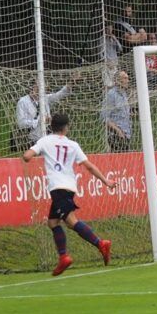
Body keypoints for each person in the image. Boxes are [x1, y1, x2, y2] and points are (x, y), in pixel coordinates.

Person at [22, 113, 116, 276]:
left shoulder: (45, 141)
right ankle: (65, 255)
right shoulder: (73, 145)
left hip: (58, 188)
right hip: (69, 186)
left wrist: (32, 154)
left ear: (51, 127)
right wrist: (106, 181)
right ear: (66, 128)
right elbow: (89, 167)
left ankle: (98, 244)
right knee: (52, 222)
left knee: (71, 222)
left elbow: (27, 156)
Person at [14, 74, 76, 151]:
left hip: (48, 137)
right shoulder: (23, 101)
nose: (40, 89)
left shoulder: (45, 98)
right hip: (31, 139)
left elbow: (60, 94)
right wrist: (39, 121)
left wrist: (72, 82)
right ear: (32, 87)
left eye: (42, 86)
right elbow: (21, 123)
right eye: (37, 86)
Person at [102, 71, 132, 152]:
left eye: (128, 78)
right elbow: (104, 118)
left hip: (127, 134)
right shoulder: (111, 94)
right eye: (125, 78)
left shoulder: (124, 94)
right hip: (116, 136)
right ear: (117, 80)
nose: (127, 81)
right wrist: (118, 131)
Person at [103, 23, 122, 88]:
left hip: (115, 64)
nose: (110, 31)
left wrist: (115, 40)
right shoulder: (102, 40)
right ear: (105, 29)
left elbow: (120, 49)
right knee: (108, 84)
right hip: (107, 65)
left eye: (111, 29)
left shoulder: (113, 39)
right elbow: (100, 53)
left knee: (116, 83)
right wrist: (106, 62)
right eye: (108, 29)